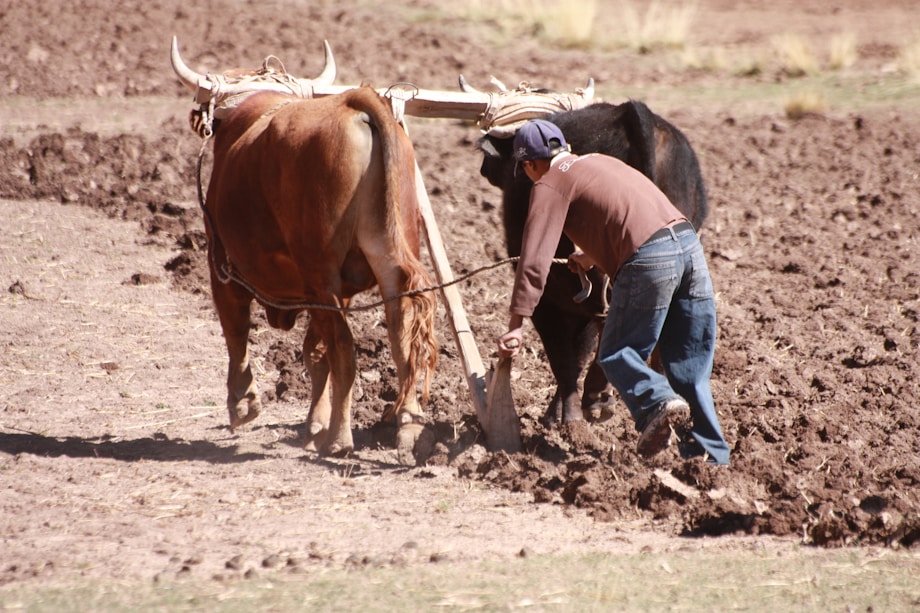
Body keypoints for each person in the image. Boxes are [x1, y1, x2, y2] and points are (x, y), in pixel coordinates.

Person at [497, 119, 730, 465]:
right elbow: (631, 214)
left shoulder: (549, 182)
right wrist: (590, 257)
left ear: (530, 164)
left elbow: (534, 261)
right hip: (689, 249)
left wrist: (516, 324)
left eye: (527, 170)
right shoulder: (600, 162)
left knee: (617, 353)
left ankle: (657, 402)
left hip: (650, 260)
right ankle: (710, 459)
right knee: (688, 363)